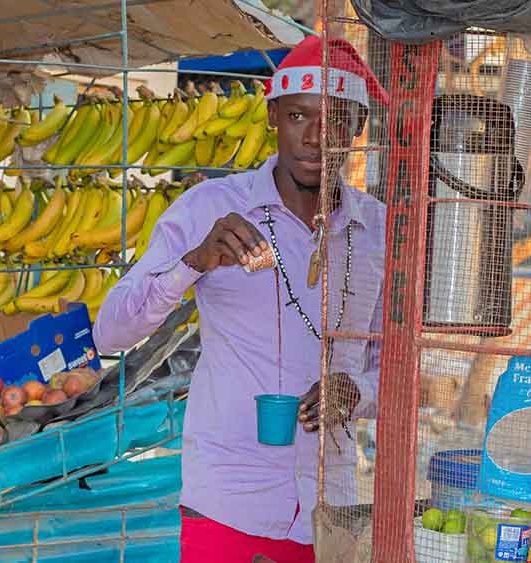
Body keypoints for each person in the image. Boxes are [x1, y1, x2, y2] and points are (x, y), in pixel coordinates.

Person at [93, 35, 388, 562]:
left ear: (359, 128)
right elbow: (110, 332)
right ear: (273, 116)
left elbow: (402, 370)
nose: (317, 138)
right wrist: (194, 263)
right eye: (299, 117)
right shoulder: (208, 207)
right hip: (229, 501)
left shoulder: (377, 232)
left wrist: (357, 391)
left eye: (338, 120)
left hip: (330, 507)